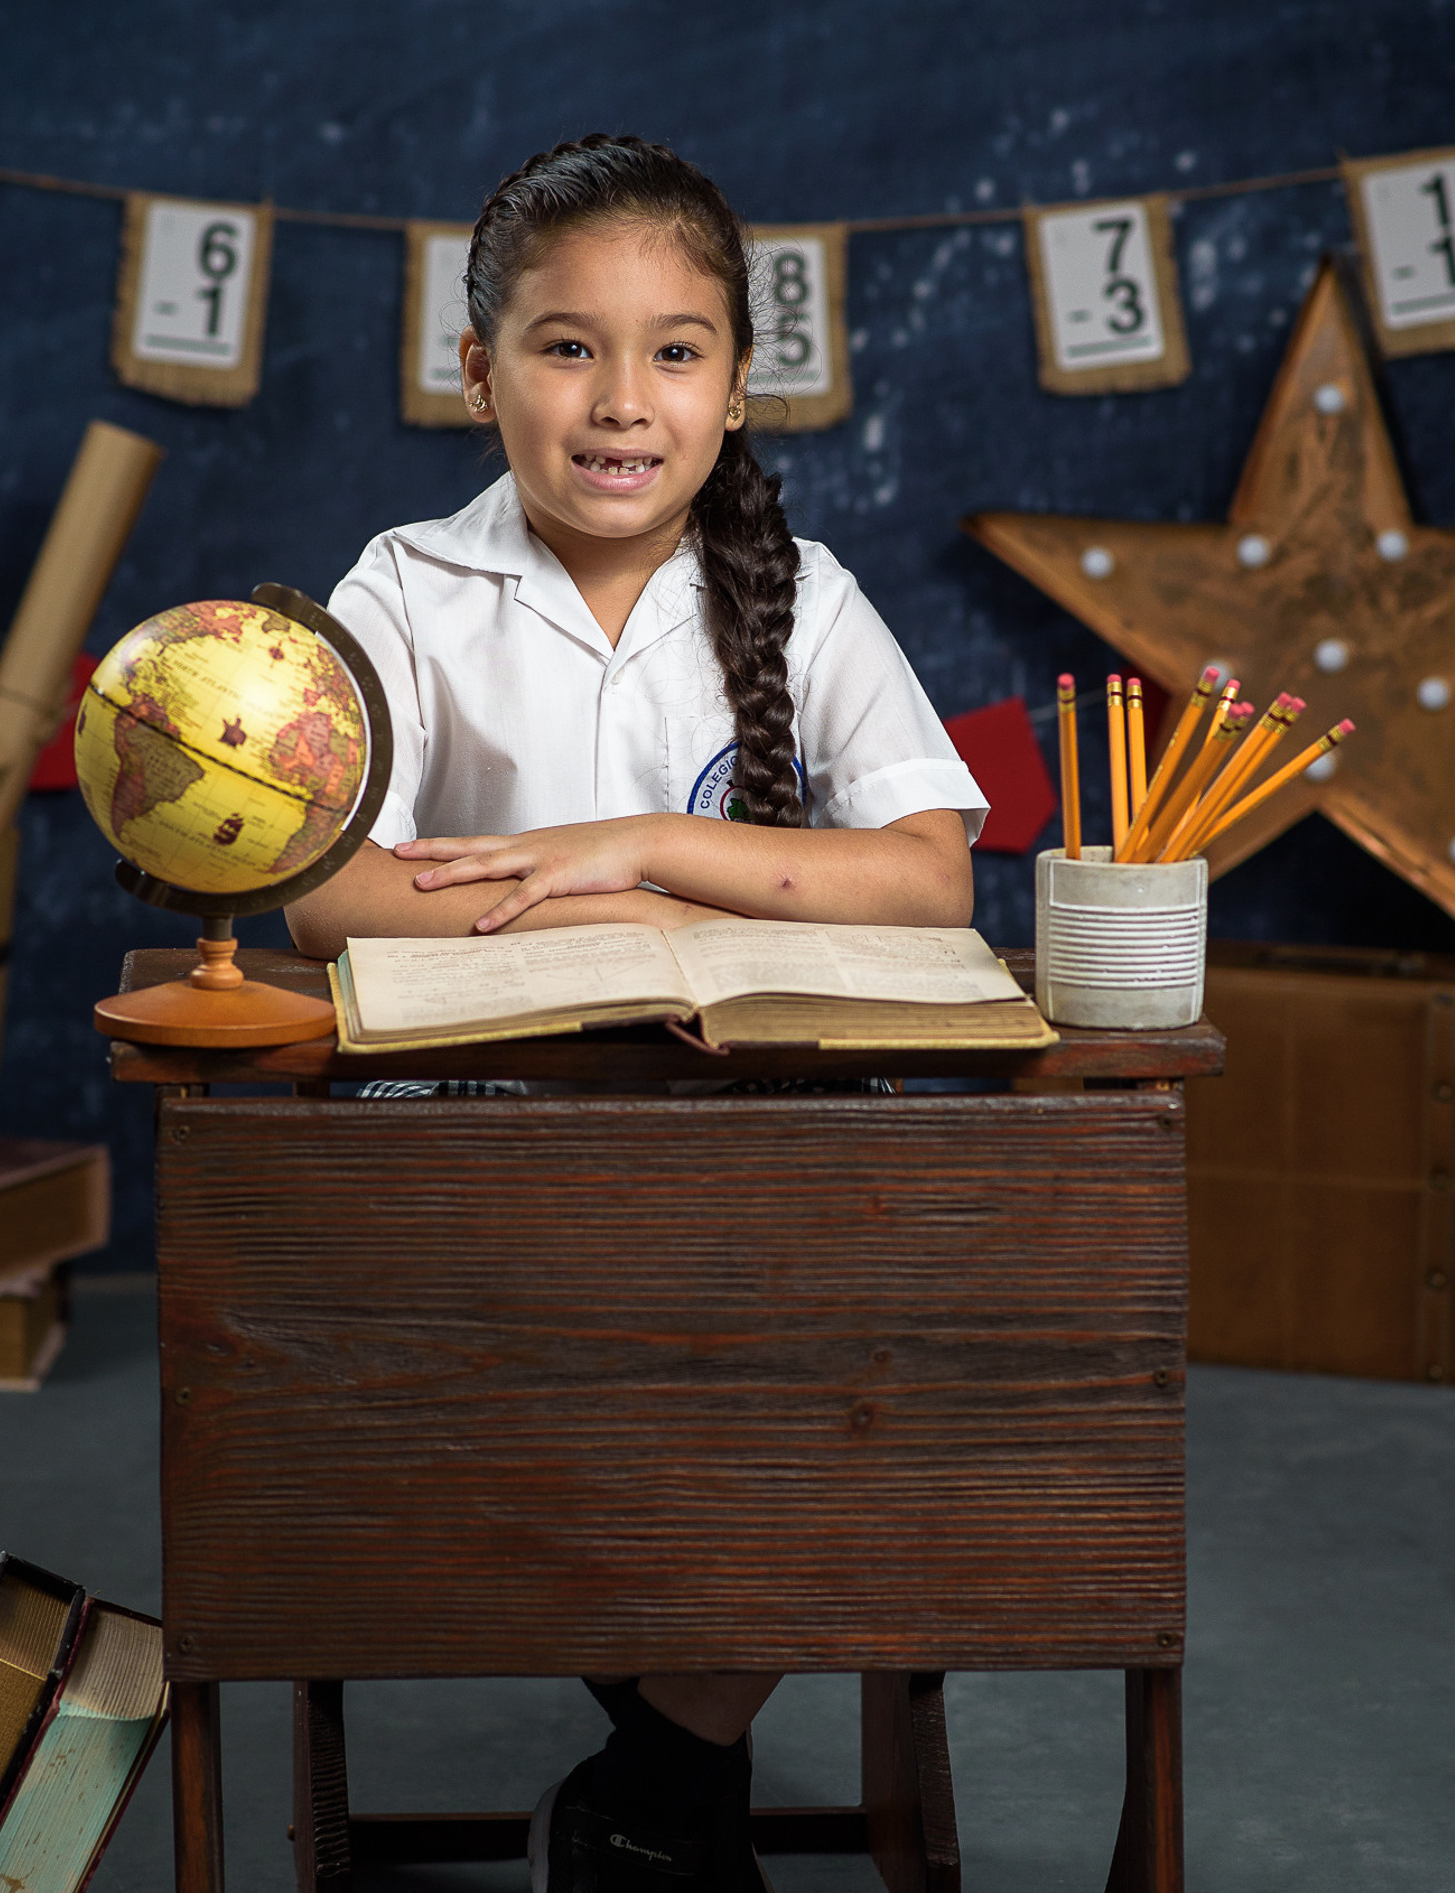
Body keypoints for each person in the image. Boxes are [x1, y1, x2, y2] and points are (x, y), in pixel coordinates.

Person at [288, 135, 988, 1893]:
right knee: (605, 1393)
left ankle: (655, 1790)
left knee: (891, 1370)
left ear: (737, 386)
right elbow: (328, 890)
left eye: (675, 351)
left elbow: (928, 880)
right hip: (478, 1160)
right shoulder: (407, 588)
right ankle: (670, 1800)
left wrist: (645, 846)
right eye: (565, 347)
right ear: (479, 373)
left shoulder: (805, 594)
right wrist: (637, 918)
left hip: (756, 1146)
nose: (621, 401)